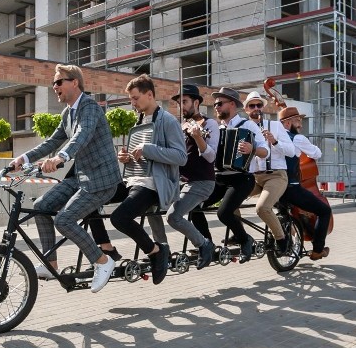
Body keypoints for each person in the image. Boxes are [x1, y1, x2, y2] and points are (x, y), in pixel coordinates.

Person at [9, 63, 121, 293]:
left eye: (59, 82)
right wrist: (23, 158)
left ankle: (103, 261)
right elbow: (52, 141)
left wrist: (60, 158)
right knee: (41, 207)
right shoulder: (67, 113)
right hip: (82, 177)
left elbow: (82, 136)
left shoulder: (89, 107)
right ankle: (51, 265)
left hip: (102, 180)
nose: (54, 87)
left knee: (64, 220)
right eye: (53, 83)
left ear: (74, 82)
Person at [110, 74, 187, 285]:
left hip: (153, 185)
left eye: (135, 98)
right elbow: (140, 157)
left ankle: (156, 251)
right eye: (131, 99)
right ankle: (105, 252)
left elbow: (181, 157)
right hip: (133, 181)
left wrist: (147, 149)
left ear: (150, 94)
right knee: (95, 196)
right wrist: (126, 159)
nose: (132, 103)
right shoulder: (140, 120)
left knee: (119, 218)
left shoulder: (168, 121)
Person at [189, 87, 268, 266]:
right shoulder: (216, 128)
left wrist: (252, 149)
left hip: (242, 178)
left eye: (219, 104)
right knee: (193, 206)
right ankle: (206, 244)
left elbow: (265, 152)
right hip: (220, 178)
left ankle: (245, 240)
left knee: (224, 213)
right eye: (215, 104)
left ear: (232, 104)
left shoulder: (248, 125)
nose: (216, 107)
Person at [165, 84, 221, 268]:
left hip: (202, 181)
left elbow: (211, 156)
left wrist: (198, 138)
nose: (182, 106)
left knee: (173, 216)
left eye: (185, 102)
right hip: (181, 181)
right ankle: (161, 251)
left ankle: (204, 244)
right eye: (180, 103)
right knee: (149, 203)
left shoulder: (209, 123)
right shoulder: (180, 126)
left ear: (196, 102)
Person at [242, 91, 295, 254]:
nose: (256, 108)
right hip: (255, 177)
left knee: (262, 208)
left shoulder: (275, 126)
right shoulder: (243, 127)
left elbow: (292, 152)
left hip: (276, 175)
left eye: (259, 105)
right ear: (246, 110)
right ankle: (242, 237)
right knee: (230, 203)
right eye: (252, 106)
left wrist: (275, 141)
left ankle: (282, 239)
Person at [279, 106, 333, 261]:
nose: (300, 124)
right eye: (297, 120)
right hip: (291, 188)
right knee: (324, 211)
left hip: (275, 188)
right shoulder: (298, 139)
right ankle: (317, 250)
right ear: (287, 123)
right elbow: (316, 153)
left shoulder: (274, 138)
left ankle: (284, 240)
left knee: (283, 212)